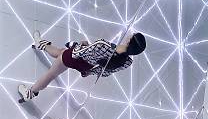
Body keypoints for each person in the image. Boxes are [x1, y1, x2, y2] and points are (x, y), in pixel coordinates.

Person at [18, 30, 146, 102]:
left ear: (129, 41)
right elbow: (105, 72)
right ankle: (40, 43)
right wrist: (89, 72)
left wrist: (75, 45)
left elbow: (78, 52)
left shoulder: (103, 45)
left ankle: (30, 92)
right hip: (86, 67)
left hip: (75, 58)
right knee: (59, 52)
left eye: (131, 35)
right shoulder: (127, 62)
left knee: (51, 73)